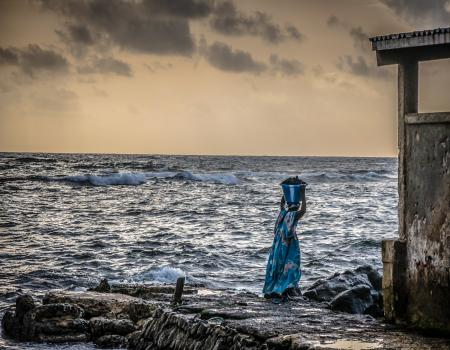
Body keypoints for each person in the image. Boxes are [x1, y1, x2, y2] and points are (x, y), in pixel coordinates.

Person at [263, 177, 306, 302]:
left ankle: (273, 289)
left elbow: (282, 205)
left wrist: (284, 195)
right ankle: (283, 289)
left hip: (277, 246)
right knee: (291, 265)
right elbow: (304, 210)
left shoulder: (283, 214)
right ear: (296, 205)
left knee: (277, 267)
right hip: (289, 245)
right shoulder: (294, 215)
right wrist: (302, 194)